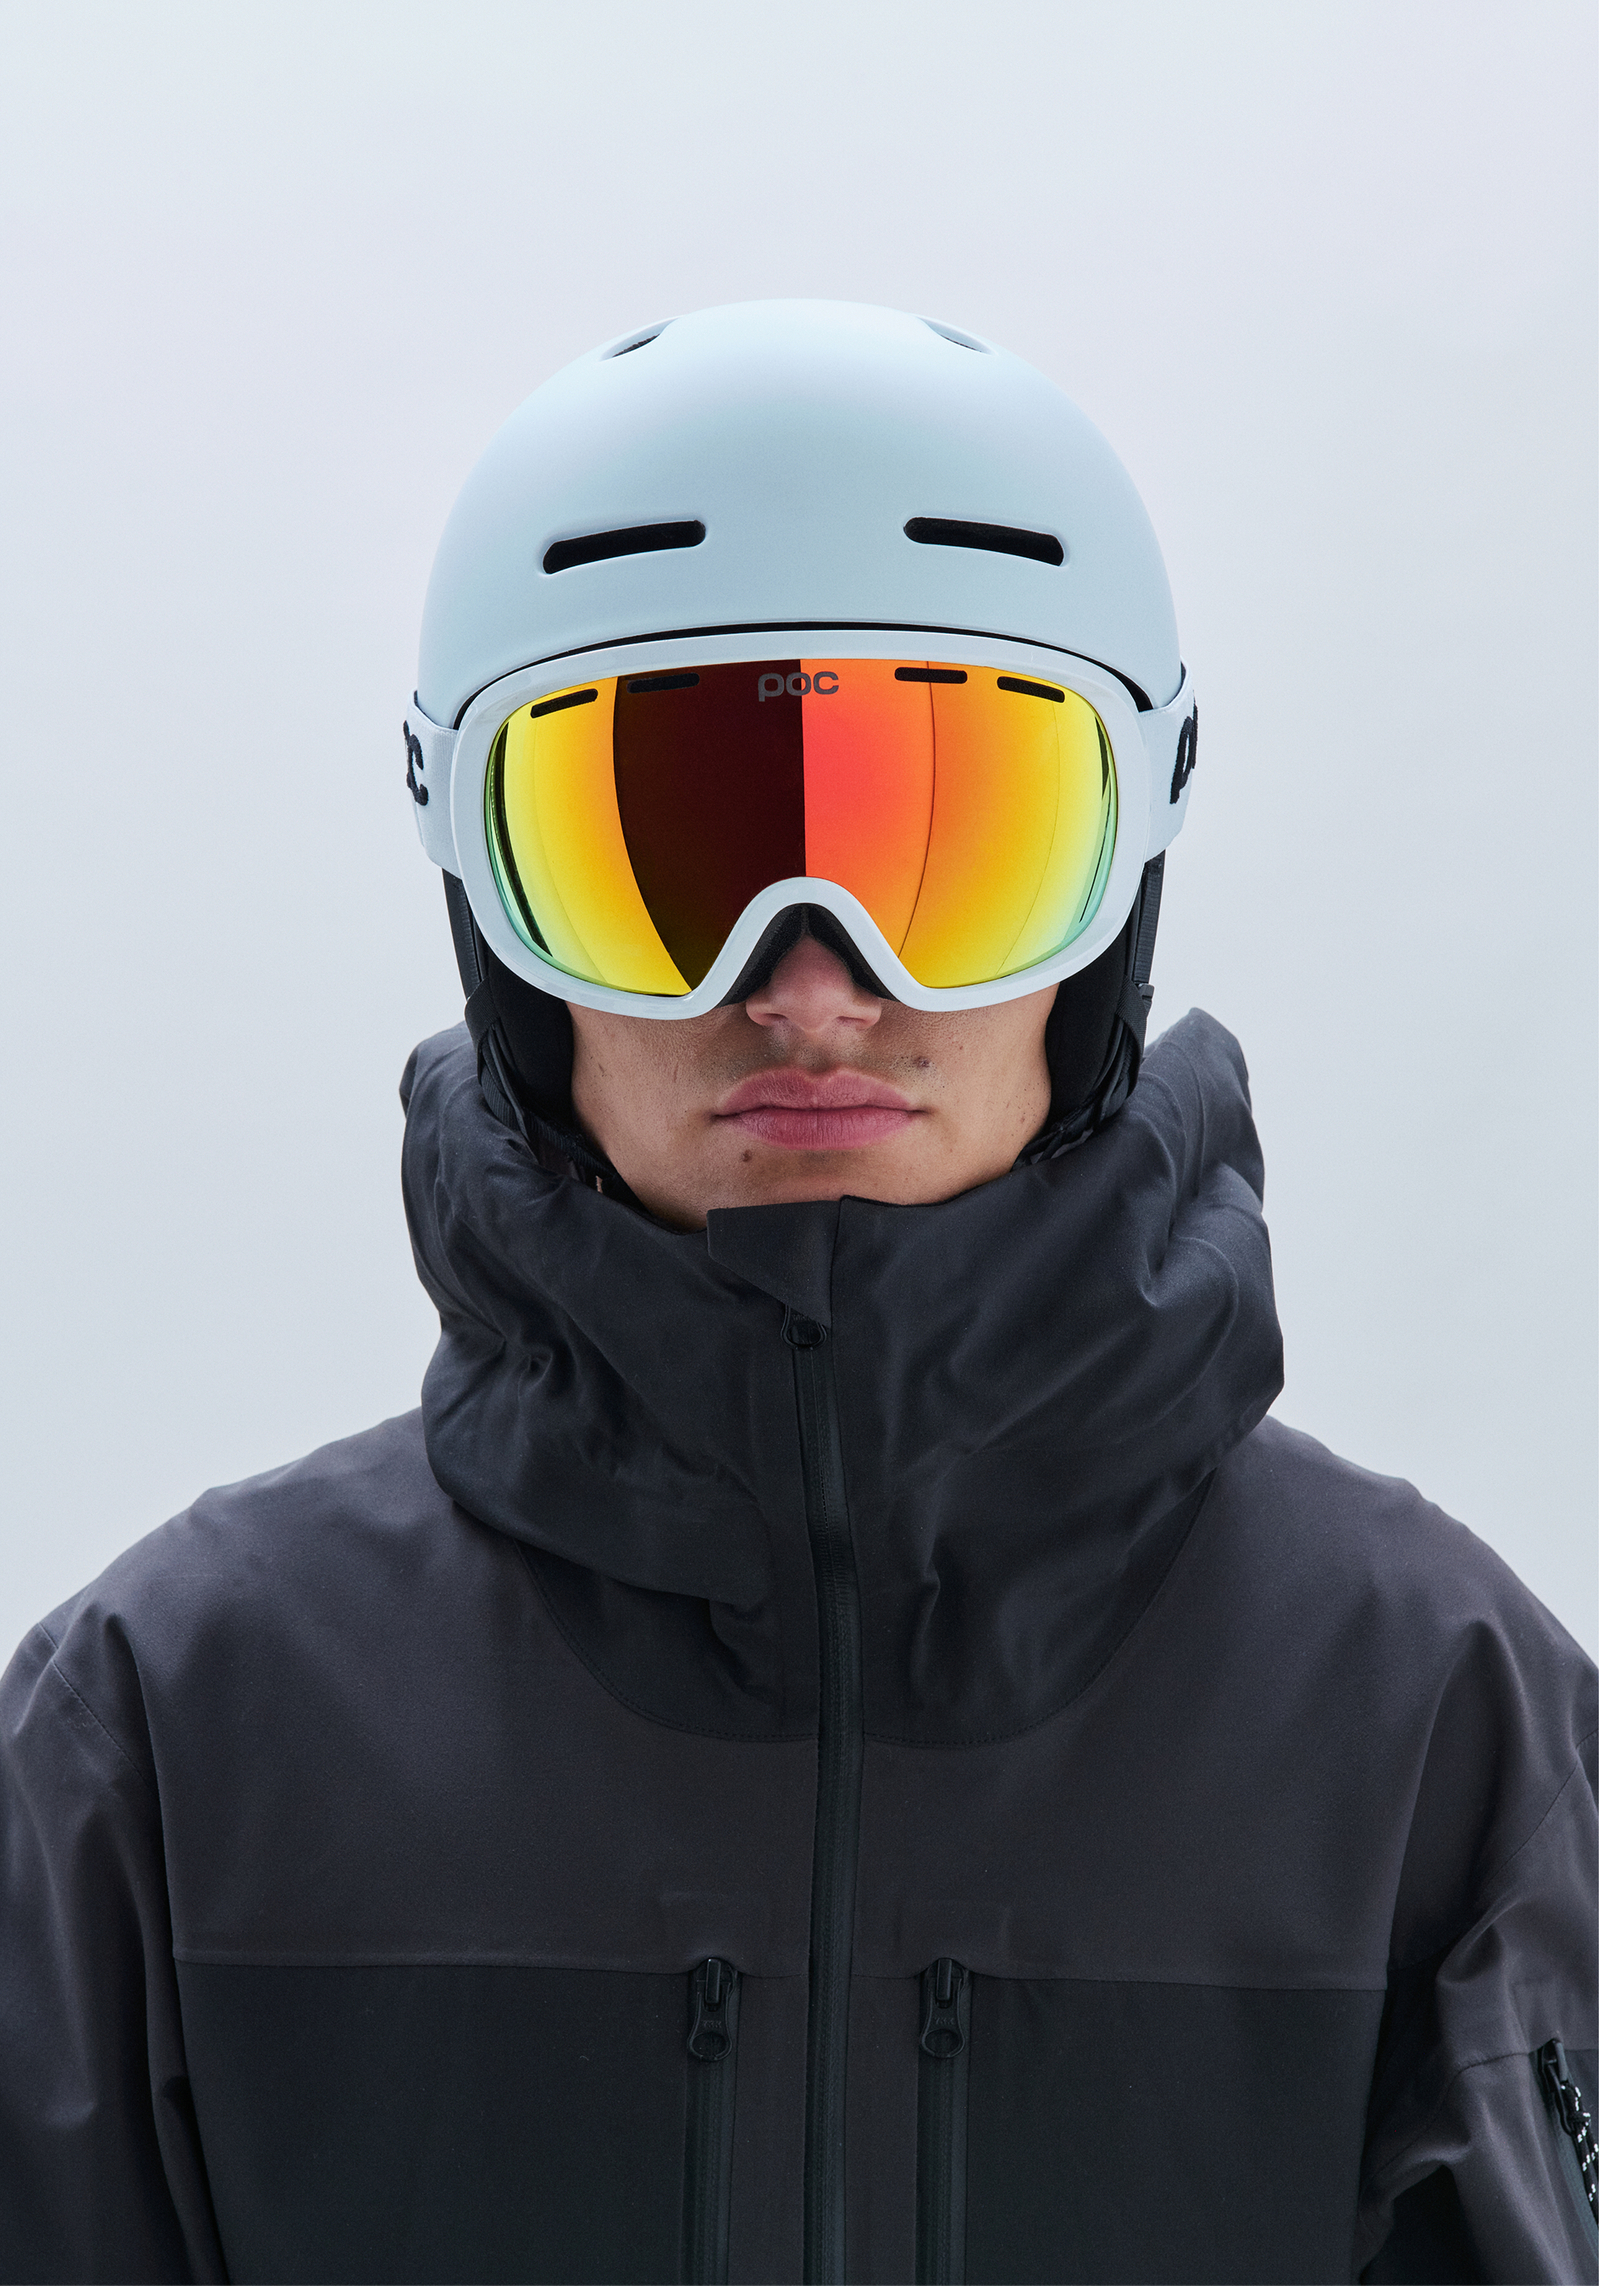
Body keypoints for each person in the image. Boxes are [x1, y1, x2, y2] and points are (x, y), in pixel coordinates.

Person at [0, 299, 1592, 2286]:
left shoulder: (1431, 1725)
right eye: (660, 853)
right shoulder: (168, 1740)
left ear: (1122, 889)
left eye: (958, 846)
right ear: (491, 915)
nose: (813, 982)